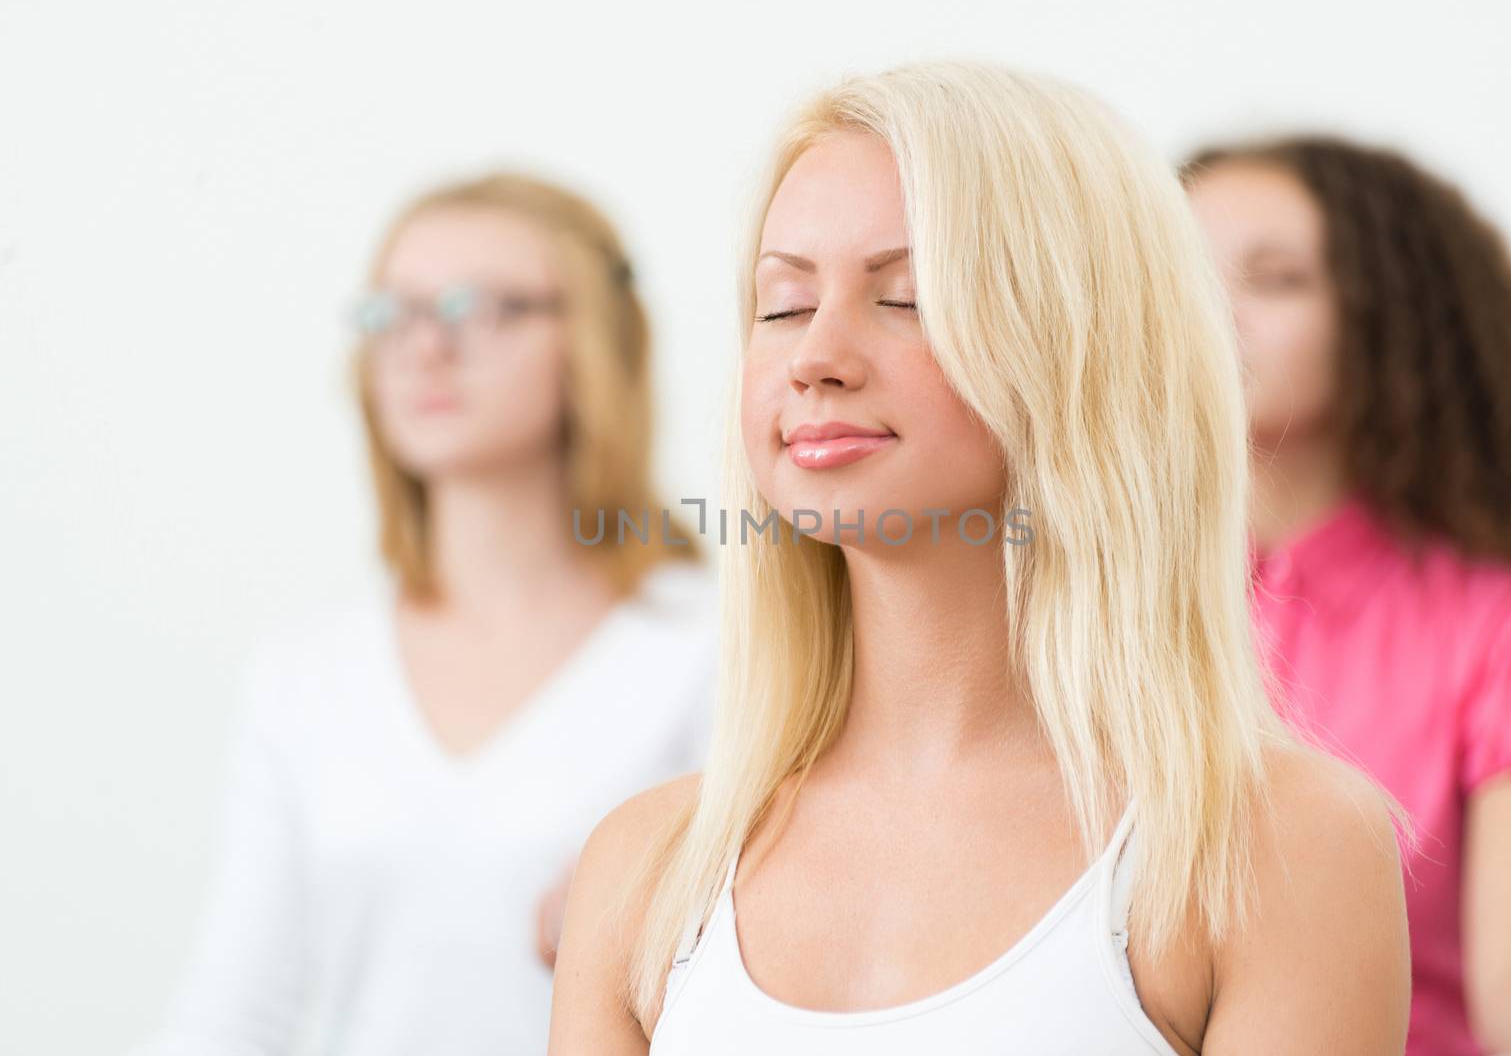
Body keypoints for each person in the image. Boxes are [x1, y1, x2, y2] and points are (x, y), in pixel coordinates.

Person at [548, 60, 1413, 1055]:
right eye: (781, 305)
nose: (814, 356)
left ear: (1078, 350)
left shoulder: (1270, 850)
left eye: (907, 297)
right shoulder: (646, 868)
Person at [131, 172, 717, 1056]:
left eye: (476, 308)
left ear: (593, 341)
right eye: (392, 315)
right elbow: (235, 1015)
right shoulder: (305, 673)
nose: (424, 349)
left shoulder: (717, 648)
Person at [1183, 135, 1511, 1055]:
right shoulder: (1083, 596)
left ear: (1392, 322)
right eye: (1179, 269)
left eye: (1277, 279)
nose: (1208, 311)